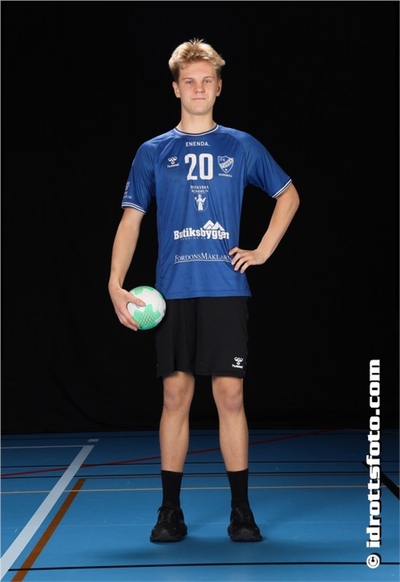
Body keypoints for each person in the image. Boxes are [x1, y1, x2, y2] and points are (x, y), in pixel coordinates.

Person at [108, 38, 300, 543]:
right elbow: (131, 221)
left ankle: (242, 511)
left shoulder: (240, 145)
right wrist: (114, 284)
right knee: (175, 396)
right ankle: (170, 511)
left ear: (218, 88)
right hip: (172, 291)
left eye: (206, 81)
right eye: (189, 81)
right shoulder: (153, 151)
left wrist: (262, 250)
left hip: (224, 287)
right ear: (176, 88)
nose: (198, 88)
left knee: (230, 396)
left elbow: (288, 195)